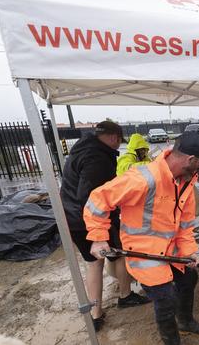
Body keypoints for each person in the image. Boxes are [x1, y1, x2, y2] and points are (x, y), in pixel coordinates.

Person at [85, 131, 199, 345]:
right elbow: (98, 199)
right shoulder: (143, 178)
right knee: (166, 299)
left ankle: (185, 322)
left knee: (189, 277)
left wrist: (189, 251)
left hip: (169, 249)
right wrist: (98, 238)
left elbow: (185, 224)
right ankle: (172, 341)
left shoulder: (186, 182)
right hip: (144, 253)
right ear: (191, 159)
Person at [60, 121, 149, 331]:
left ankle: (97, 311)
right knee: (113, 255)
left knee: (97, 261)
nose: (119, 146)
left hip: (73, 217)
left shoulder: (83, 148)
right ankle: (120, 299)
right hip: (90, 219)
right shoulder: (97, 158)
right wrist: (102, 226)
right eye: (119, 141)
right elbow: (89, 196)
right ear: (113, 138)